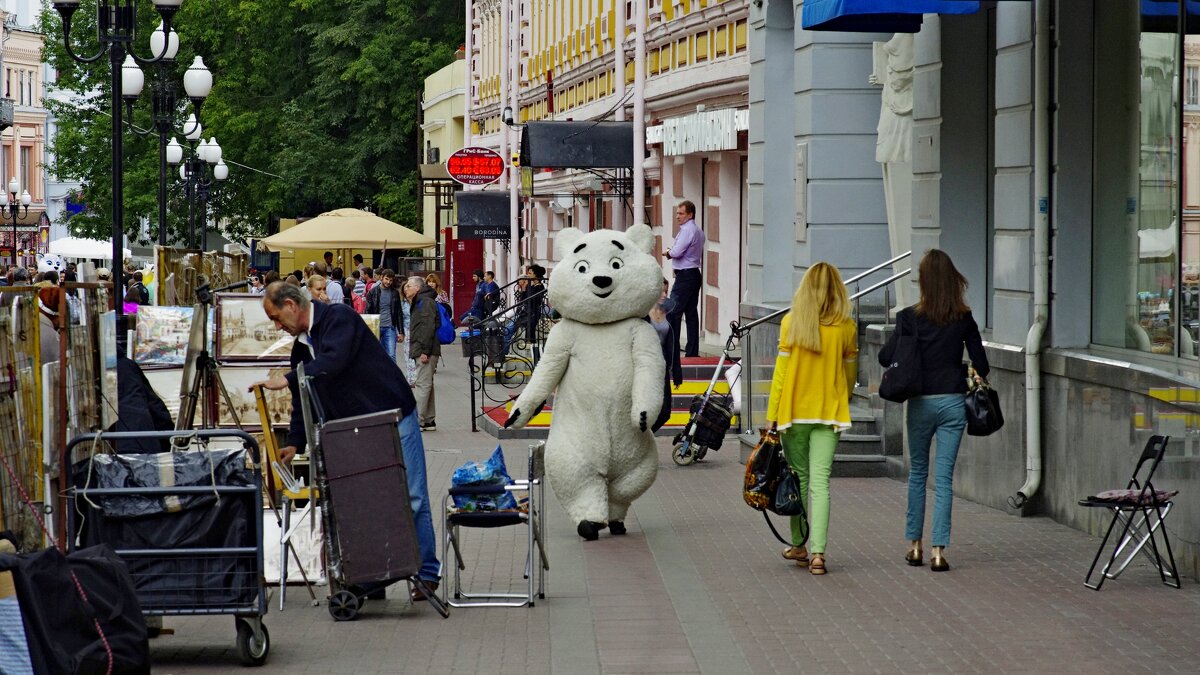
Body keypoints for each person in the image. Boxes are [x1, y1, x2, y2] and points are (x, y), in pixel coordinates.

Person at [250, 282, 441, 599]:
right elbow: (302, 398)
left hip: (394, 414)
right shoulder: (301, 347)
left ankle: (427, 573)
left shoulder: (339, 318)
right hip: (359, 428)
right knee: (368, 502)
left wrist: (284, 379)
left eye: (275, 317)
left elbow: (333, 361)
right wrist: (295, 442)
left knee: (412, 496)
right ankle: (376, 576)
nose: (276, 326)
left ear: (291, 304)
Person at [877, 249, 988, 573]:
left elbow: (886, 358)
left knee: (917, 476)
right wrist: (962, 364)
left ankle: (915, 546)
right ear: (954, 281)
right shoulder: (963, 318)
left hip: (921, 403)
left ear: (923, 282)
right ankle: (939, 551)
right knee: (943, 480)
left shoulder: (910, 318)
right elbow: (982, 364)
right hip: (953, 401)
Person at [765, 262, 858, 576]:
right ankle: (819, 552)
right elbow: (849, 376)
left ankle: (799, 546)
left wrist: (772, 415)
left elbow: (780, 376)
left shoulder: (791, 323)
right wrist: (839, 398)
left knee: (799, 480)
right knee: (821, 483)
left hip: (794, 414)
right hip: (830, 413)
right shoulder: (846, 327)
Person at [664, 200, 703, 357]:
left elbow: (676, 252)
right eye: (677, 213)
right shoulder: (699, 231)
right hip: (693, 274)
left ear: (690, 214)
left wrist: (668, 252)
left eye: (681, 213)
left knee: (672, 311)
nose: (677, 216)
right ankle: (692, 352)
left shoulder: (687, 230)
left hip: (685, 276)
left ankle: (672, 350)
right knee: (691, 313)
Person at [404, 276, 440, 431]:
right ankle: (429, 420)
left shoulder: (424, 302)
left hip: (426, 350)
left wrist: (425, 351)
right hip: (424, 348)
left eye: (409, 286)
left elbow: (428, 327)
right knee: (427, 384)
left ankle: (418, 421)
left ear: (417, 288)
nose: (405, 288)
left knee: (422, 384)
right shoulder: (420, 301)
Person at [366, 269, 403, 360]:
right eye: (386, 279)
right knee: (375, 355)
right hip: (376, 327)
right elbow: (367, 310)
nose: (388, 282)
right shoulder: (372, 292)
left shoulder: (395, 293)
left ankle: (392, 374)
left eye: (390, 280)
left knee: (391, 355)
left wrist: (401, 332)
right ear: (381, 278)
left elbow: (398, 312)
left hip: (390, 327)